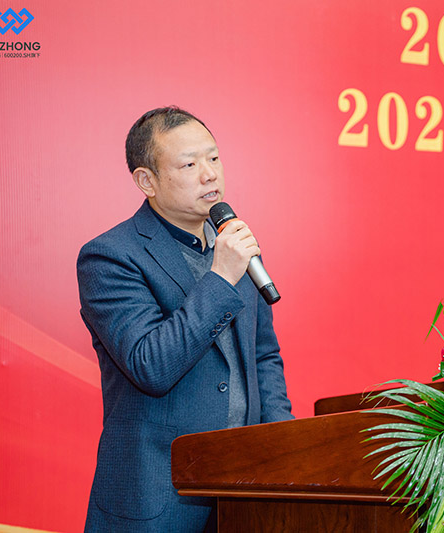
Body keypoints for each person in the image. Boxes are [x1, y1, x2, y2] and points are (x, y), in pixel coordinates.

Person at [77, 107, 293, 532]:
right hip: (158, 492)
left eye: (213, 158)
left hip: (244, 490)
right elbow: (150, 366)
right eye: (190, 165)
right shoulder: (110, 257)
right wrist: (220, 278)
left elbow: (263, 356)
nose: (210, 174)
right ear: (147, 181)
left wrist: (285, 447)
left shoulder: (234, 246)